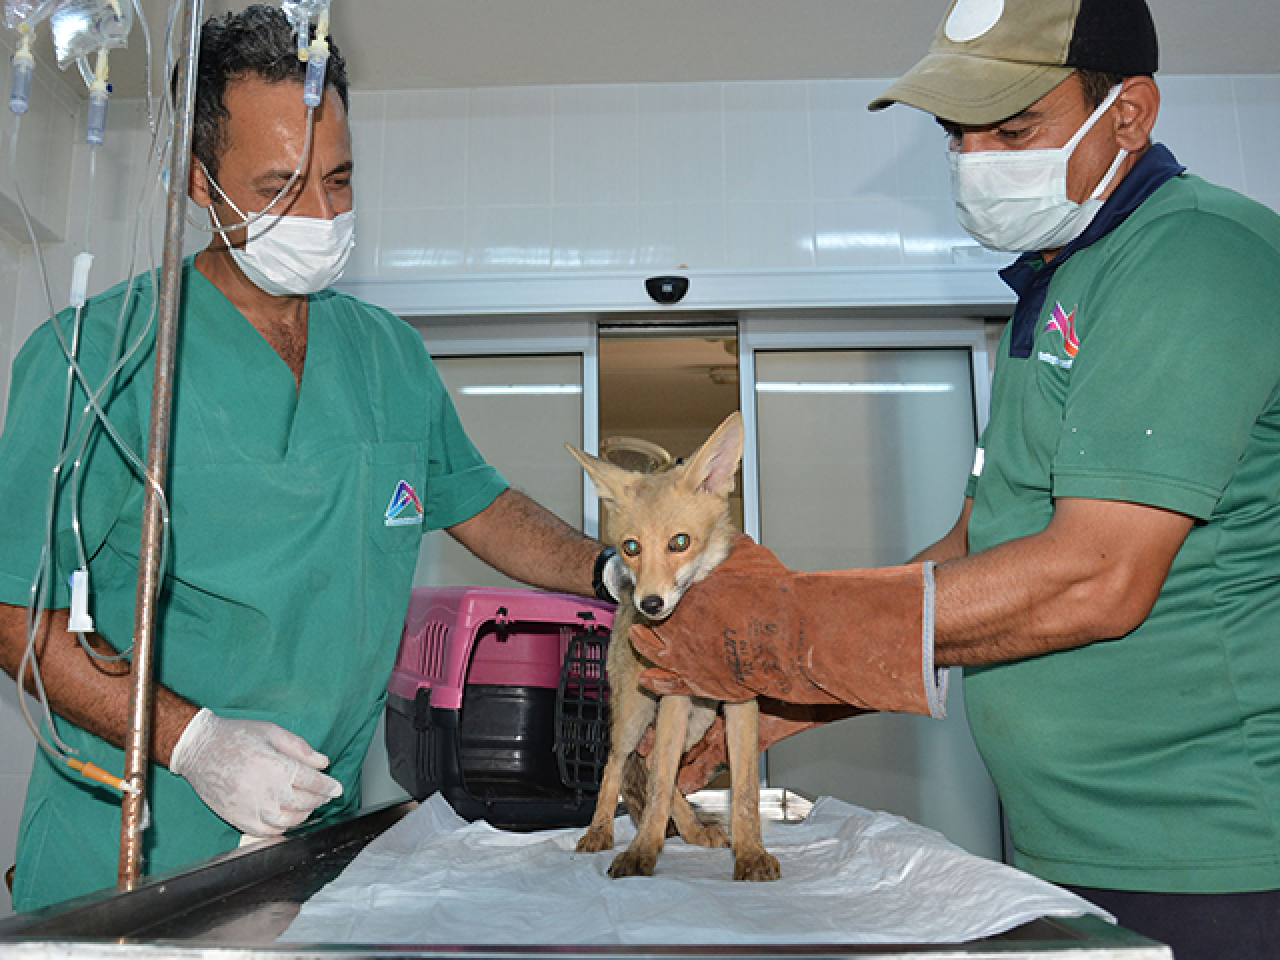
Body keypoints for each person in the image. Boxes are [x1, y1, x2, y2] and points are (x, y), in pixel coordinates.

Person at [631, 1, 1280, 956]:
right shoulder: (1056, 284)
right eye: (957, 134)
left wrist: (782, 636)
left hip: (1213, 851)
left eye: (1013, 131)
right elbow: (974, 547)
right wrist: (786, 699)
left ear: (1131, 115)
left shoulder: (1191, 256)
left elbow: (1097, 577)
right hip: (1067, 838)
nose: (976, 161)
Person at [0, 6, 625, 913]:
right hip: (129, 850)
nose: (323, 216)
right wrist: (193, 743)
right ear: (197, 181)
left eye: (338, 180)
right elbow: (17, 612)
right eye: (280, 188)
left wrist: (615, 572)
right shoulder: (98, 358)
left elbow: (478, 504)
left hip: (316, 848)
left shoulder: (387, 355)